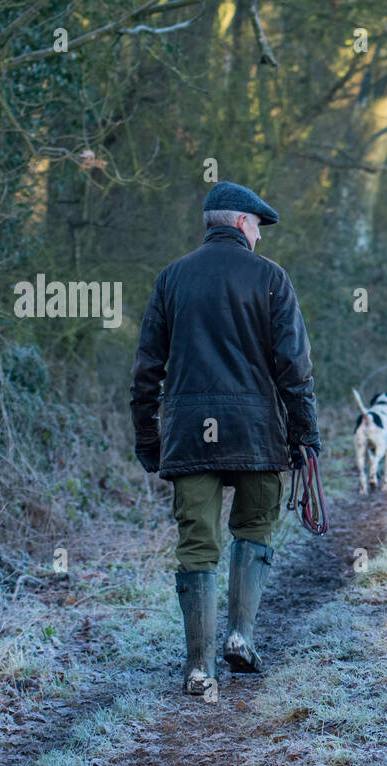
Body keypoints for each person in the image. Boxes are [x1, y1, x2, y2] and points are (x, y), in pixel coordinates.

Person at [130, 181, 320, 696]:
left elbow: (148, 368)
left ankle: (198, 667)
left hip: (190, 436)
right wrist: (304, 436)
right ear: (241, 223)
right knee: (254, 529)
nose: (259, 237)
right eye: (257, 226)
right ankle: (240, 635)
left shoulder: (172, 279)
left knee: (197, 545)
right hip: (256, 433)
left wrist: (148, 437)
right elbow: (294, 367)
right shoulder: (271, 279)